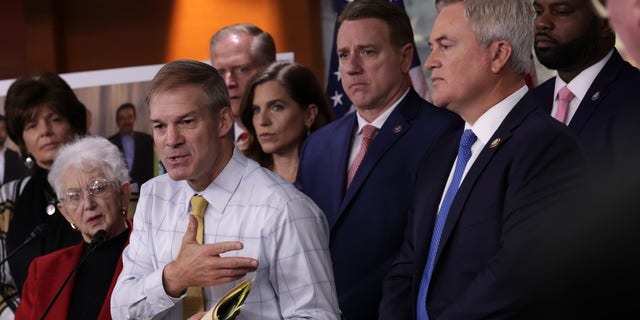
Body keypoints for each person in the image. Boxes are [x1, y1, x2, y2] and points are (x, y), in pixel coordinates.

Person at [379, 0, 587, 318]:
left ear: (498, 55)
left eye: (445, 46)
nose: (430, 62)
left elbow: (517, 279)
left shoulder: (547, 147)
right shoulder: (440, 153)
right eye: (432, 47)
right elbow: (407, 265)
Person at [110, 59, 340, 319]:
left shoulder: (285, 208)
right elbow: (120, 311)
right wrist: (174, 277)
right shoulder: (153, 196)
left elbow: (319, 316)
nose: (171, 140)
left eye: (186, 122)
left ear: (223, 121)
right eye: (160, 126)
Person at [295, 1, 463, 319]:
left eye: (368, 52)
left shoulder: (445, 134)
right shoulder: (318, 144)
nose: (352, 66)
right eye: (344, 54)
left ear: (404, 57)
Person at [15, 136, 132, 320]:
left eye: (98, 187)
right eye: (74, 196)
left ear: (123, 195)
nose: (87, 204)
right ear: (66, 213)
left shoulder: (152, 254)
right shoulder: (43, 272)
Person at [0, 73, 86, 318]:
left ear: (74, 125)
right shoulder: (8, 198)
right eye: (32, 125)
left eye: (55, 119)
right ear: (22, 141)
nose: (45, 132)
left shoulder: (110, 189)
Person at [532, 0, 640, 181]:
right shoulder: (529, 102)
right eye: (538, 11)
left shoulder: (633, 99)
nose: (542, 22)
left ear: (605, 23)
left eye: (562, 12)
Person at [239, 61, 334, 182]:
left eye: (276, 107)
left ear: (309, 115)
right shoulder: (242, 177)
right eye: (256, 110)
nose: (263, 121)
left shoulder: (336, 175)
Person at [210, 23, 276, 145]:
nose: (228, 82)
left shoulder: (299, 140)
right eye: (220, 73)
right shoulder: (210, 143)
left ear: (271, 69)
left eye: (242, 69)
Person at [108, 102, 155, 192]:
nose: (126, 122)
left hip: (145, 191)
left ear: (134, 119)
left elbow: (151, 169)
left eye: (129, 117)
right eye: (122, 118)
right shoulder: (109, 143)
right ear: (117, 122)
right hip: (119, 192)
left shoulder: (147, 140)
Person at [0, 115, 30, 185]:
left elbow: (31, 168)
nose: (0, 133)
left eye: (3, 129)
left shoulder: (14, 155)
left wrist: (24, 154)